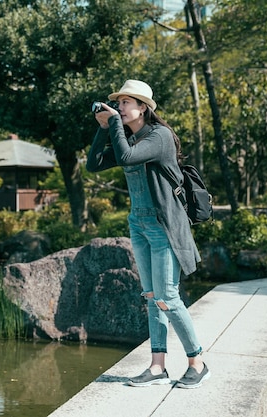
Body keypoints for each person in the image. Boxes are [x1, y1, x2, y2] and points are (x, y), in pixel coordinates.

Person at [85, 80, 210, 389]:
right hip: (138, 225)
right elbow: (93, 164)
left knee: (168, 296)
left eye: (126, 103)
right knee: (152, 297)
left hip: (165, 226)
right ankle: (157, 367)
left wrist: (113, 121)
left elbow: (127, 158)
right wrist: (103, 128)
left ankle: (198, 362)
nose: (121, 107)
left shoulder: (160, 136)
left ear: (143, 107)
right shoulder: (125, 137)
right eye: (119, 103)